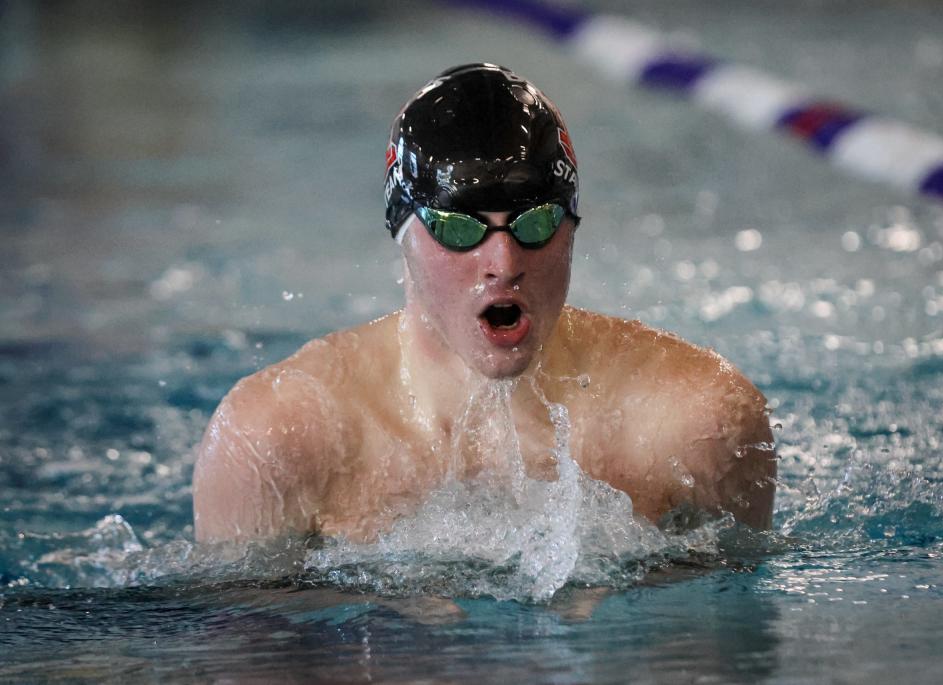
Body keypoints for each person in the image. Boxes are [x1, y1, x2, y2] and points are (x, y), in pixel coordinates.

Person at [192, 63, 776, 543]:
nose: (504, 260)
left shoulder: (693, 424)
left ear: (572, 226)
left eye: (536, 220)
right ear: (404, 231)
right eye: (459, 227)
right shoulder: (277, 439)